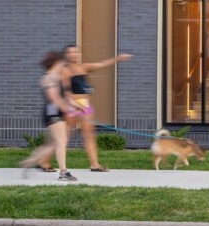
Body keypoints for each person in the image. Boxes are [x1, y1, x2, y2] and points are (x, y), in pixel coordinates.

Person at [64, 44, 132, 172]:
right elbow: (65, 93)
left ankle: (94, 164)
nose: (73, 54)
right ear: (66, 55)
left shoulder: (84, 67)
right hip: (72, 106)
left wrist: (118, 58)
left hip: (86, 105)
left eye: (75, 52)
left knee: (89, 135)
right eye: (70, 52)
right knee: (65, 136)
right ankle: (45, 160)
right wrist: (76, 105)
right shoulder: (65, 71)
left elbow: (102, 64)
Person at [19, 50, 83, 182]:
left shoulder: (58, 78)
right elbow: (54, 98)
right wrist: (67, 108)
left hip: (58, 111)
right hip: (52, 112)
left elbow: (64, 96)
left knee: (52, 144)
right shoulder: (48, 79)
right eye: (61, 63)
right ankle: (63, 172)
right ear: (56, 63)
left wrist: (76, 106)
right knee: (61, 141)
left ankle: (30, 161)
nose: (63, 65)